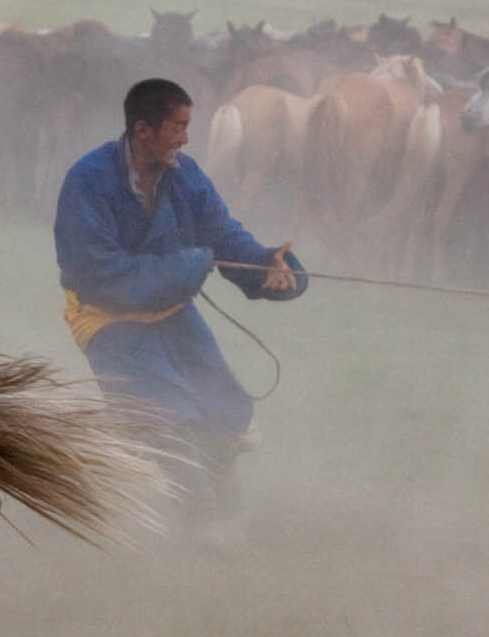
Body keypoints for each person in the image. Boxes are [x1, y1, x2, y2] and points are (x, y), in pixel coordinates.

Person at [54, 77, 306, 515]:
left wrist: (266, 265)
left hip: (170, 308)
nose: (186, 139)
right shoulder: (87, 181)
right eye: (177, 127)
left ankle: (218, 497)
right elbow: (101, 275)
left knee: (225, 411)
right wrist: (188, 265)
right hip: (107, 316)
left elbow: (222, 234)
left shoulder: (185, 175)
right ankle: (199, 524)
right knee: (167, 417)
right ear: (142, 131)